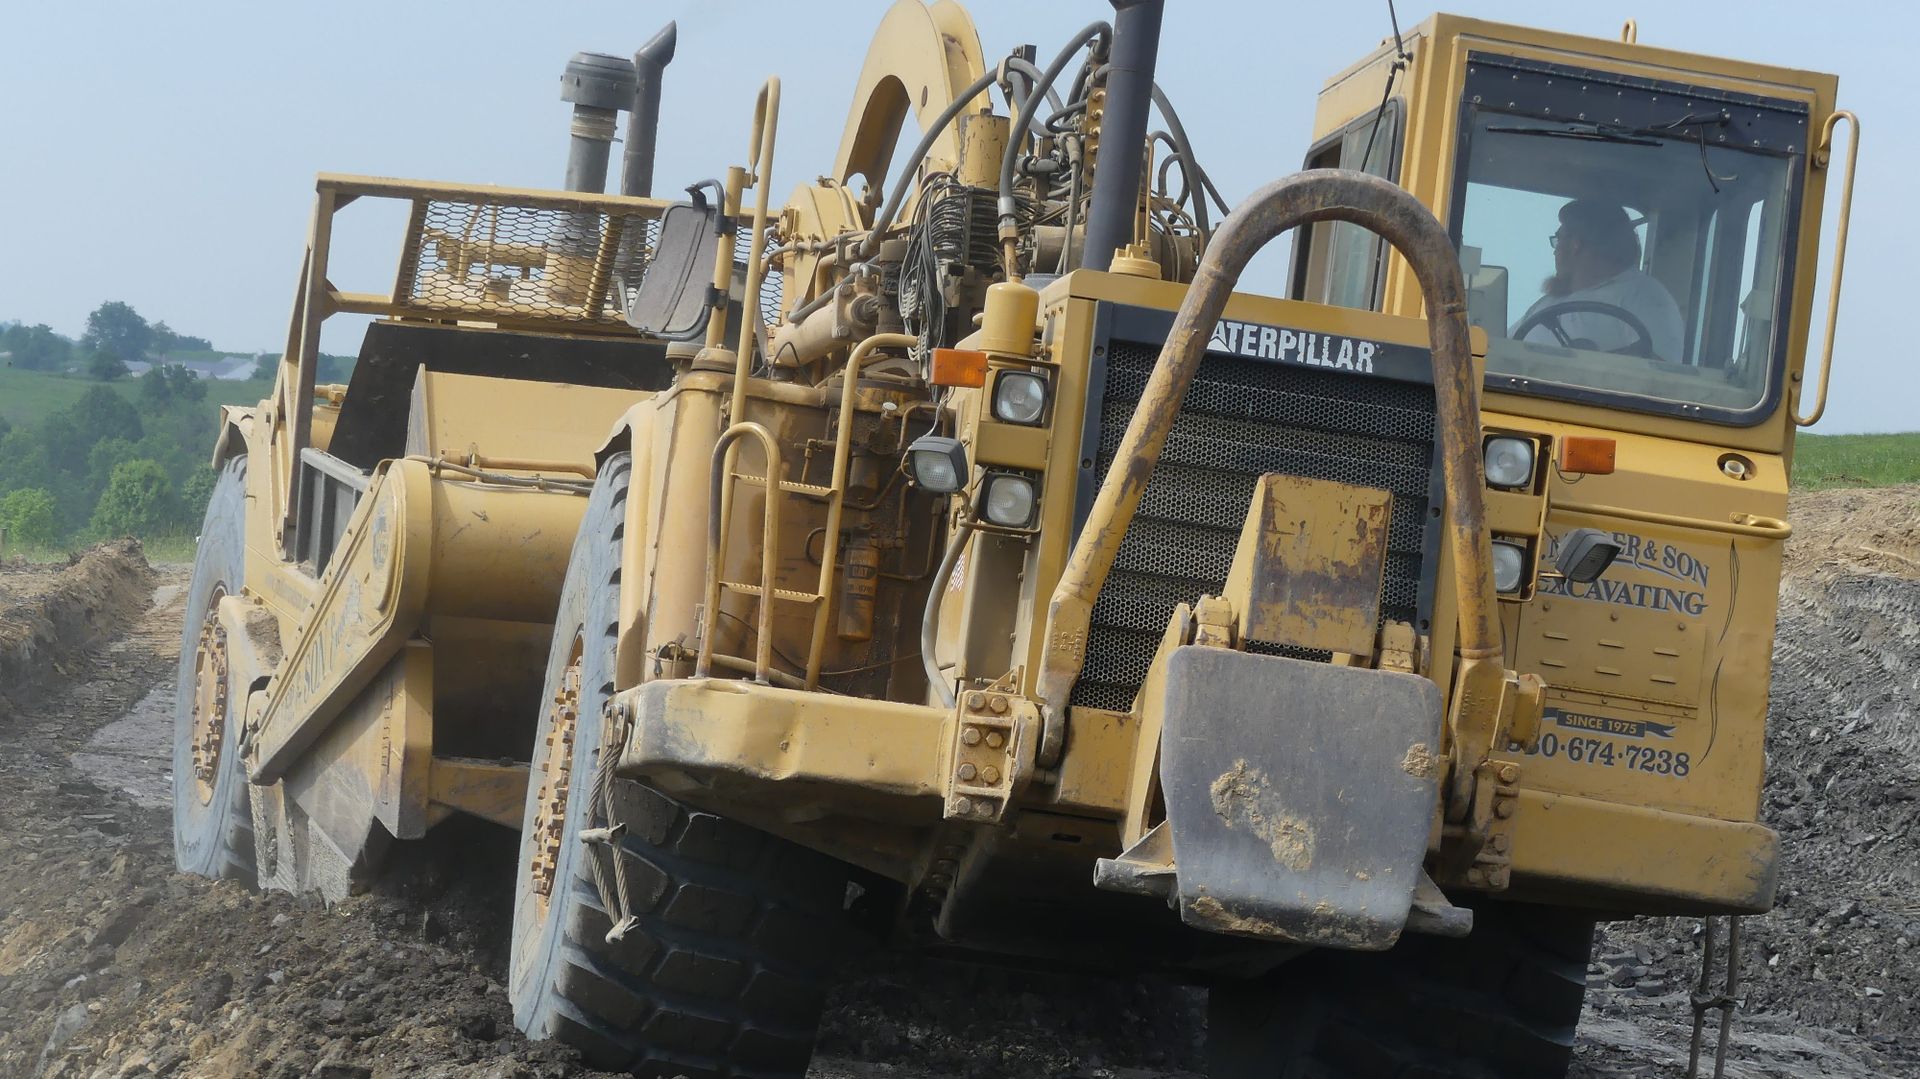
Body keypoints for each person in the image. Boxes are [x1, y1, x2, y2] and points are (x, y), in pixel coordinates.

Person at [1512, 200, 1684, 362]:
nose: (1555, 251)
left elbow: (1661, 372)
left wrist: (1588, 364)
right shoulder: (1545, 305)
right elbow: (1499, 349)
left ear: (1575, 245)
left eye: (1558, 239)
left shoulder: (1642, 294)